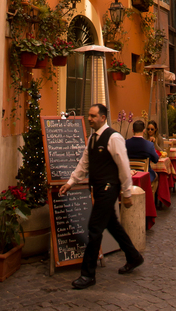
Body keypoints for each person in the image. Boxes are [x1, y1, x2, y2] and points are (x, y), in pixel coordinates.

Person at [59, 104, 144, 289]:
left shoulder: (114, 138)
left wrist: (127, 192)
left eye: (93, 116)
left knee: (94, 228)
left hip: (109, 188)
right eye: (89, 116)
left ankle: (88, 275)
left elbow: (124, 166)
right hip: (98, 187)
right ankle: (134, 257)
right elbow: (84, 163)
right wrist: (71, 182)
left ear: (103, 117)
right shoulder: (91, 138)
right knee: (112, 224)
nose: (89, 118)